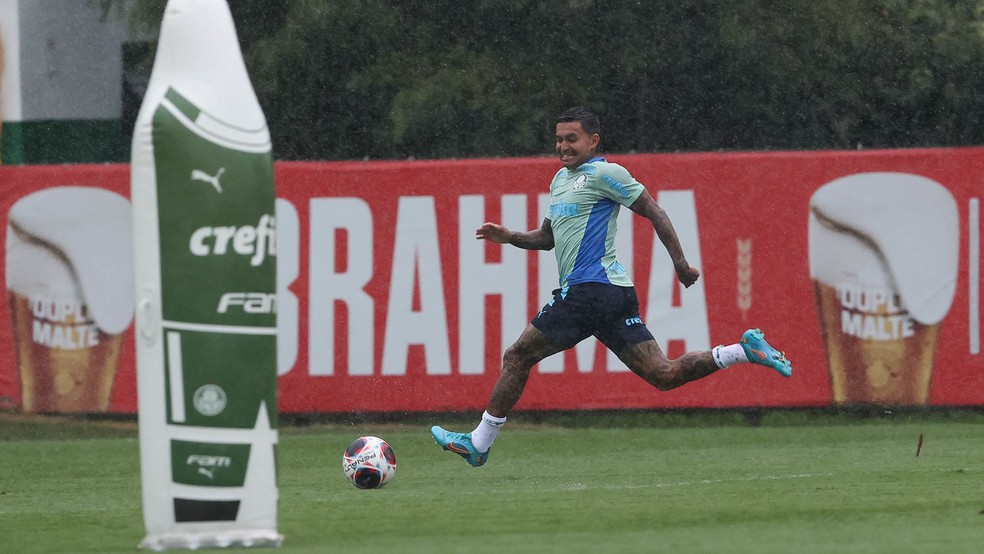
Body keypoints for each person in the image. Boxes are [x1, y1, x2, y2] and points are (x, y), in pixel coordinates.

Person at [432, 106, 791, 467]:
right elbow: (546, 238)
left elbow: (654, 210)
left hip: (590, 290)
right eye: (559, 139)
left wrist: (680, 264)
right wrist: (509, 237)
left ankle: (479, 442)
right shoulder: (560, 180)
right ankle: (742, 351)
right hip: (612, 296)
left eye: (572, 139)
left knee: (517, 356)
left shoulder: (606, 173)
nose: (564, 147)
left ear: (593, 140)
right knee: (663, 375)